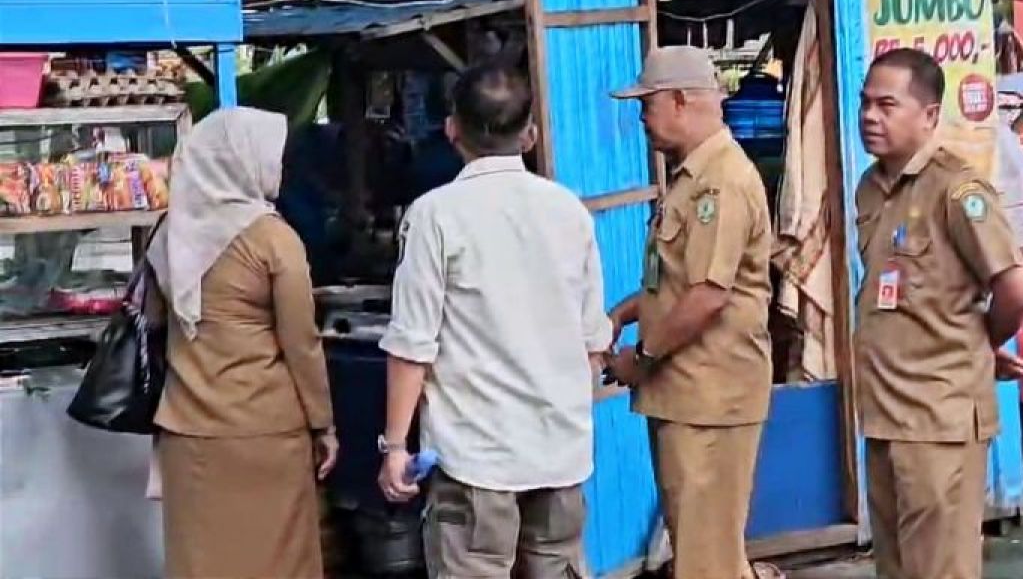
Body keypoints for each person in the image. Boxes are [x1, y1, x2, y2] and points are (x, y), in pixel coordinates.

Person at [376, 64, 610, 578]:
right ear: (529, 134)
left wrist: (395, 446)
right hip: (559, 453)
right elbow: (593, 343)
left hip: (476, 459)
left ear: (452, 129)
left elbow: (413, 345)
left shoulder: (435, 215)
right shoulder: (569, 211)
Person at [854, 49, 1023, 579]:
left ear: (929, 115)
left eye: (887, 105)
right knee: (898, 568)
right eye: (866, 103)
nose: (870, 116)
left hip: (939, 416)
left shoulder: (958, 190)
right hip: (887, 413)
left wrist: (981, 343)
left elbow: (1016, 289)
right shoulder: (872, 185)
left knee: (940, 570)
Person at [149, 107, 337, 579]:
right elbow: (302, 344)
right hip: (264, 432)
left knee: (203, 562)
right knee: (278, 560)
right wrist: (324, 424)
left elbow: (152, 319)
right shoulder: (273, 239)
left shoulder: (170, 234)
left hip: (187, 430)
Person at [607, 46, 773, 579]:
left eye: (646, 106)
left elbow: (707, 295)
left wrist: (642, 356)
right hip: (688, 395)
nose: (641, 119)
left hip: (709, 396)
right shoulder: (692, 177)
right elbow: (677, 281)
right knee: (706, 551)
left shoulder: (720, 181)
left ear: (679, 101)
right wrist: (627, 311)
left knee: (707, 562)